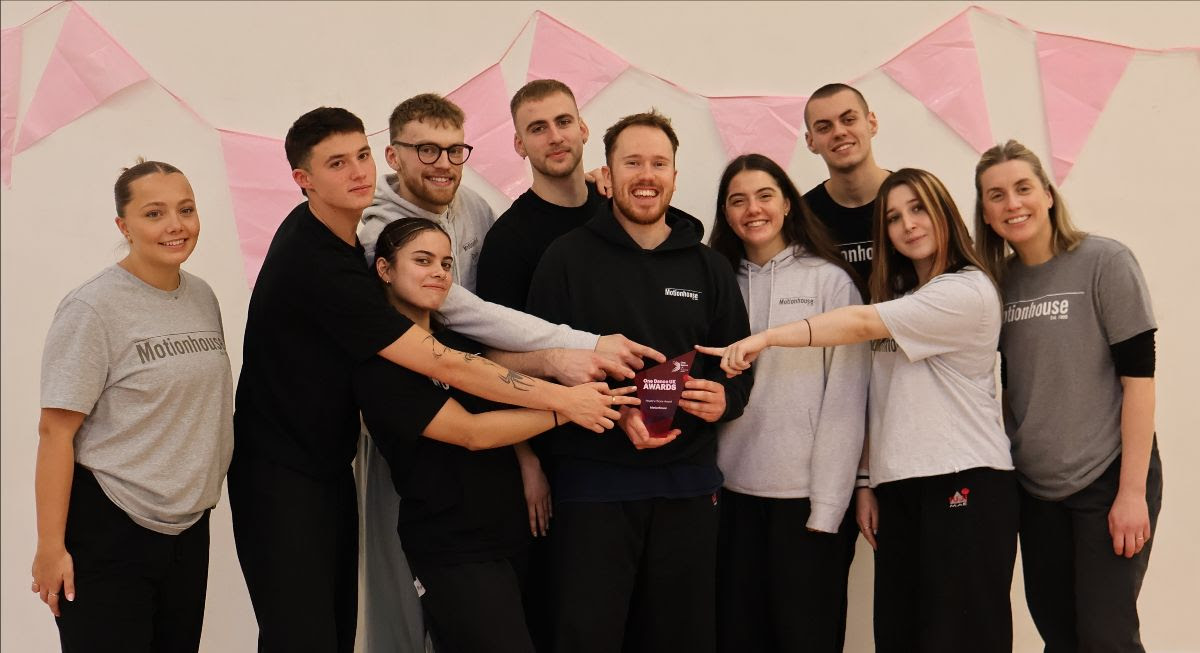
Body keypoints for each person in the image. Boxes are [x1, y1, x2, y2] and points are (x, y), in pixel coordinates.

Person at [229, 107, 636, 653]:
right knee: (303, 635)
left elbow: (467, 357)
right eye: (337, 163)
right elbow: (449, 369)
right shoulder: (326, 266)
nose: (359, 171)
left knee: (331, 631)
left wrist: (585, 189)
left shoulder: (342, 239)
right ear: (304, 180)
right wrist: (564, 398)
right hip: (281, 474)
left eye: (361, 155)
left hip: (326, 467)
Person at [355, 93, 659, 653]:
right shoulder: (388, 331)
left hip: (499, 503)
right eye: (426, 150)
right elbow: (469, 344)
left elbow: (483, 354)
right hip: (446, 518)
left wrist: (538, 437)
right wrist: (567, 390)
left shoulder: (475, 212)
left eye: (454, 150)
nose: (444, 163)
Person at [701, 168, 1018, 653]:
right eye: (893, 217)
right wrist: (867, 481)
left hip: (964, 478)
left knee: (960, 637)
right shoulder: (900, 293)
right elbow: (878, 399)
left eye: (919, 209)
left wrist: (766, 337)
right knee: (899, 637)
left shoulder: (964, 291)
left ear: (946, 215)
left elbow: (859, 324)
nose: (908, 224)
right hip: (901, 486)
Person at [526, 109, 754, 653]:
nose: (646, 175)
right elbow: (537, 366)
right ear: (607, 174)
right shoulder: (565, 259)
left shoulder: (709, 268)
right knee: (588, 637)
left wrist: (724, 400)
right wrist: (613, 412)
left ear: (675, 175)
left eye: (658, 163)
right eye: (632, 163)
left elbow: (739, 368)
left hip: (689, 486)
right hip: (592, 486)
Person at [356, 217, 623, 653]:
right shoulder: (381, 366)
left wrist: (529, 461)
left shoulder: (457, 342)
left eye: (445, 263)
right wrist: (566, 409)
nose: (438, 273)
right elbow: (471, 432)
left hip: (511, 530)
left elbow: (497, 397)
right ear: (385, 269)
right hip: (452, 547)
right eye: (422, 261)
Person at [33, 160, 233, 653]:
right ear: (123, 226)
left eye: (186, 210)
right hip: (110, 526)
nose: (176, 225)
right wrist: (50, 547)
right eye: (154, 213)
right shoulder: (92, 308)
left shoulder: (202, 297)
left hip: (188, 527)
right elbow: (55, 433)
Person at [974, 140, 1161, 652]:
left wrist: (1131, 493)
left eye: (1023, 188)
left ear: (1048, 194)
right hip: (1036, 490)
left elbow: (1140, 381)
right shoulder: (995, 285)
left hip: (1107, 478)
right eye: (996, 195)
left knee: (1106, 639)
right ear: (985, 213)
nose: (1013, 204)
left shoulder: (1105, 261)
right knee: (1059, 637)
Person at [706, 153, 869, 653]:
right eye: (738, 200)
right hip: (730, 499)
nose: (752, 209)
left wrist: (828, 507)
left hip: (806, 503)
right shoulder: (715, 282)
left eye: (764, 196)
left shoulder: (830, 282)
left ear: (787, 204)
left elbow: (847, 399)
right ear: (725, 213)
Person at [474, 78, 607, 651]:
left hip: (628, 443)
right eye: (537, 128)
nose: (554, 136)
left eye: (562, 121)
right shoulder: (510, 239)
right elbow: (487, 356)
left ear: (583, 128)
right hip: (555, 452)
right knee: (567, 615)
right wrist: (526, 460)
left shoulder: (619, 208)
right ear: (518, 145)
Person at [802, 83, 891, 286]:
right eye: (824, 127)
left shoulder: (917, 198)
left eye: (849, 120)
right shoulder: (802, 217)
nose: (839, 132)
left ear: (871, 123)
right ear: (811, 141)